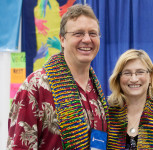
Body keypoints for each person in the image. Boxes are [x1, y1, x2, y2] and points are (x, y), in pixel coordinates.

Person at [7, 4, 108, 150]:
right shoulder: (35, 86)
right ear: (62, 39)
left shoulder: (96, 89)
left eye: (93, 33)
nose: (87, 39)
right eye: (78, 33)